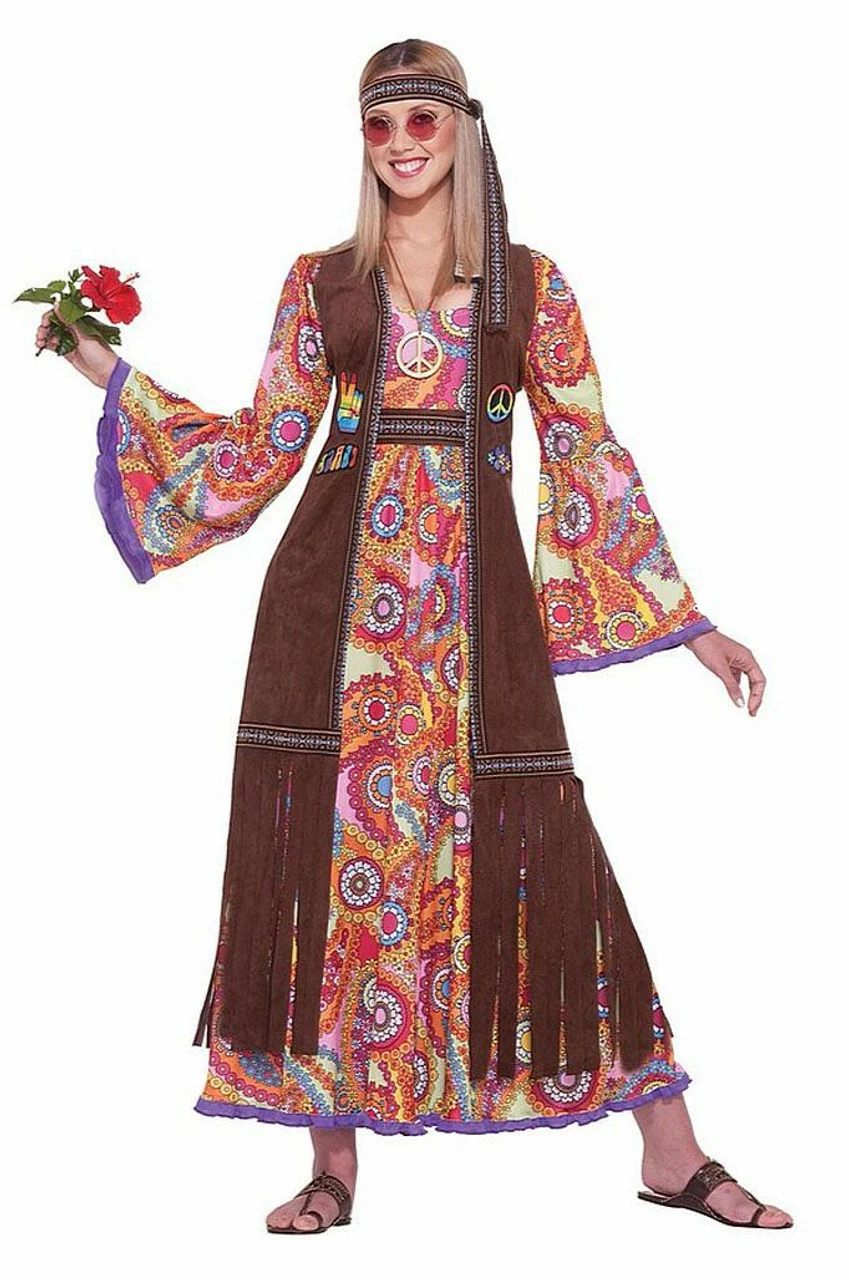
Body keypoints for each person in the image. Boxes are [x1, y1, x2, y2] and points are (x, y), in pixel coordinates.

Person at [35, 37, 791, 1235]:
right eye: (378, 125)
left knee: (555, 861)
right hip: (327, 622)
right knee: (328, 869)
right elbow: (263, 443)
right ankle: (333, 1163)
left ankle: (671, 1149)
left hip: (480, 634)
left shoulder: (530, 285)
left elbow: (586, 449)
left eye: (421, 121)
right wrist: (104, 371)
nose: (399, 146)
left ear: (462, 129)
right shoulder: (323, 280)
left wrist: (691, 624)